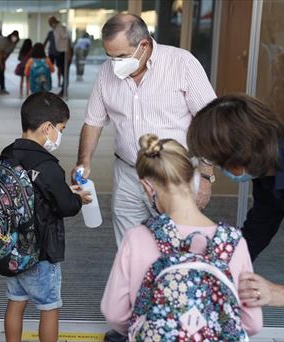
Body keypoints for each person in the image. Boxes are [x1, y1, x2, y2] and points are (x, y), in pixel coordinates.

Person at [73, 13, 216, 245]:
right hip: (128, 174)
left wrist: (207, 174)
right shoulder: (106, 73)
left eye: (121, 56)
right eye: (110, 57)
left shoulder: (182, 64)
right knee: (129, 250)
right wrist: (84, 161)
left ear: (144, 44)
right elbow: (93, 122)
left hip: (175, 176)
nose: (115, 64)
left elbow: (210, 120)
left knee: (178, 246)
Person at [101, 134, 262, 339]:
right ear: (194, 177)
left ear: (148, 187)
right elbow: (253, 323)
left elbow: (115, 313)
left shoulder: (137, 238)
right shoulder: (233, 242)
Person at [1, 92, 88, 342]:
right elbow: (66, 206)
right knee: (49, 307)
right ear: (47, 128)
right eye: (61, 128)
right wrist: (79, 197)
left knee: (15, 303)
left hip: (12, 248)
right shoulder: (48, 165)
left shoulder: (7, 155)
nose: (60, 134)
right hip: (42, 252)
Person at [187, 94, 284, 261]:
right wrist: (211, 265)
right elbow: (257, 233)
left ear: (240, 153)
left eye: (219, 162)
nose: (221, 169)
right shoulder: (267, 176)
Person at [47, 16, 70, 97]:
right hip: (59, 52)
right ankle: (63, 90)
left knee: (64, 72)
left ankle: (64, 90)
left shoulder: (60, 28)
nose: (50, 25)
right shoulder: (55, 29)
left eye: (50, 23)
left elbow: (66, 37)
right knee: (61, 70)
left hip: (63, 52)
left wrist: (68, 52)